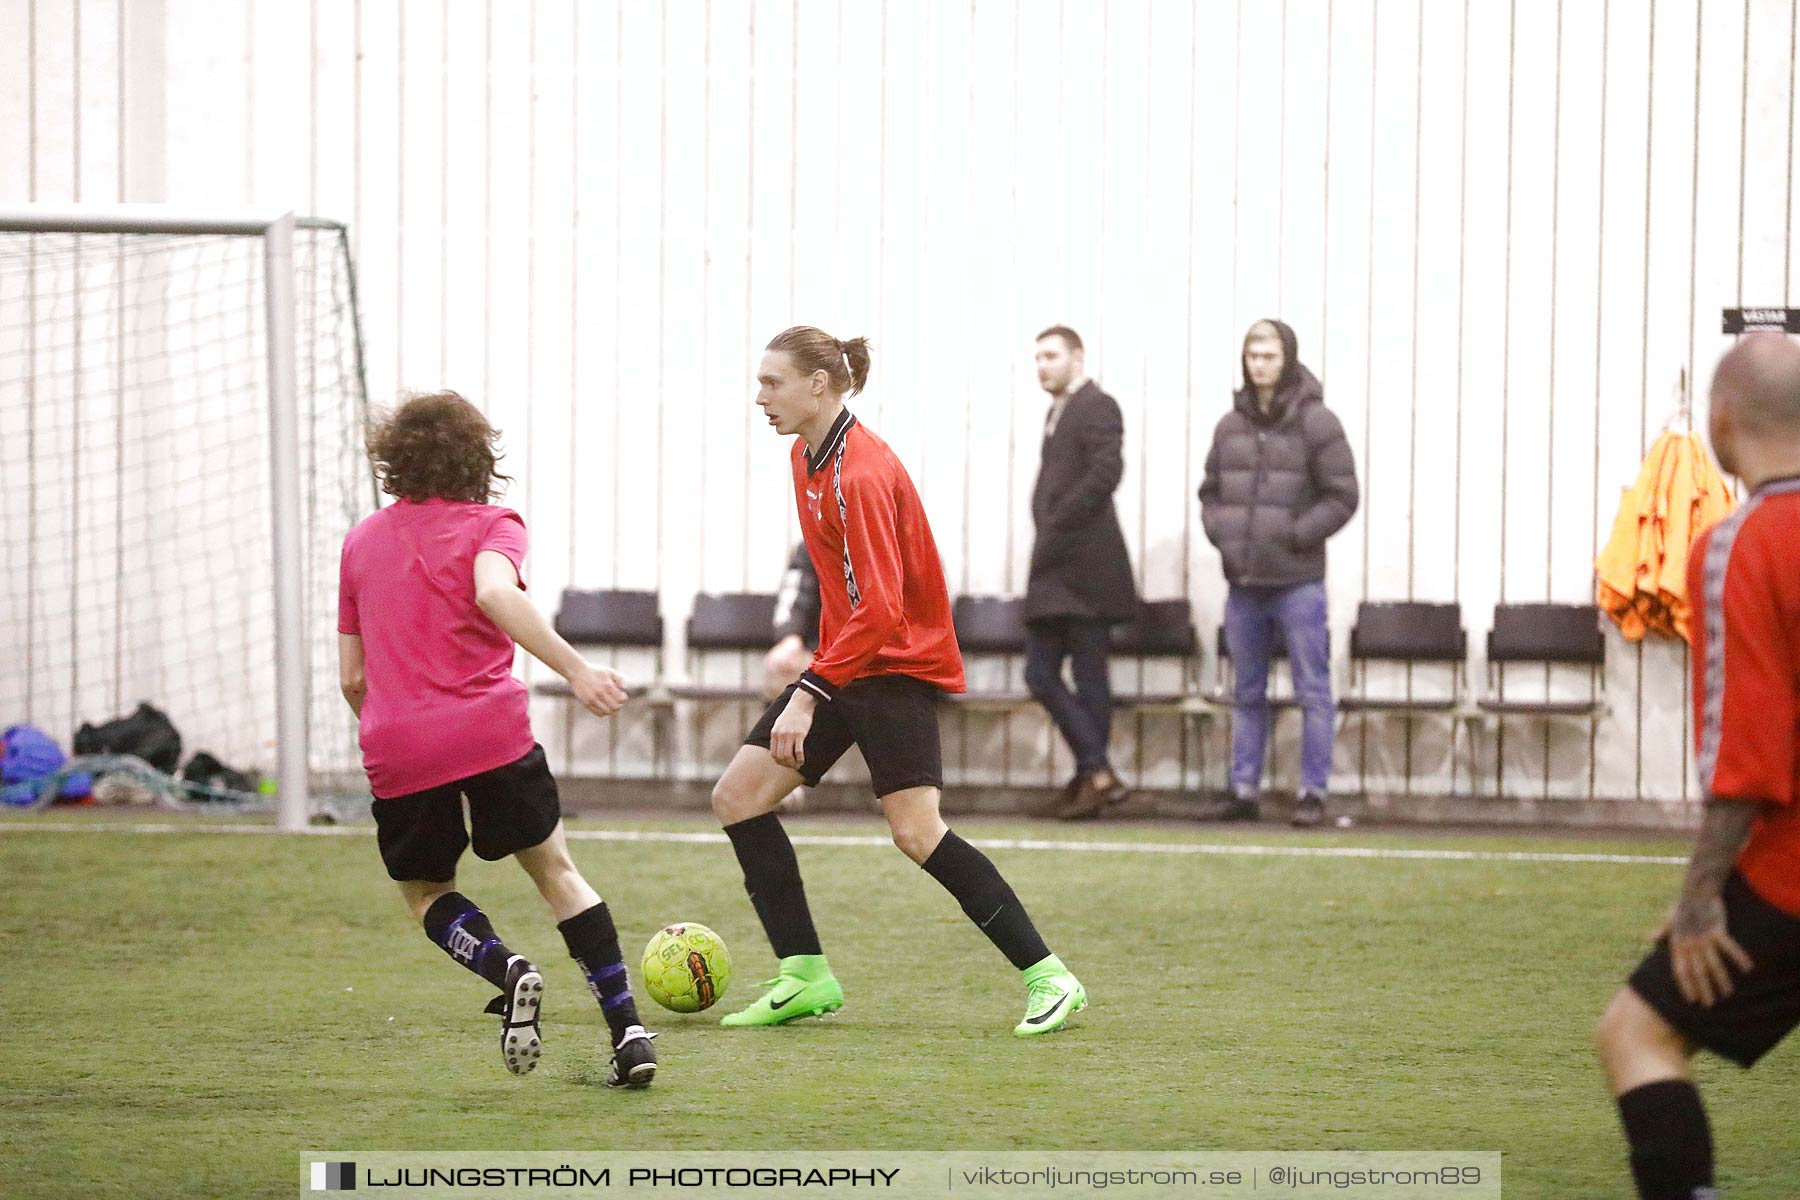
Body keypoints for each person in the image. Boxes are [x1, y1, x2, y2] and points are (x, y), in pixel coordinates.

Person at [710, 326, 1086, 1036]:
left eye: (772, 382)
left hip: (894, 666)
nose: (759, 396)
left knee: (916, 832)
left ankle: (1051, 978)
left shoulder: (863, 472)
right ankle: (805, 976)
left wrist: (809, 691)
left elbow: (882, 609)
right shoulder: (805, 456)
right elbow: (842, 593)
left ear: (818, 384)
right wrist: (818, 674)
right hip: (844, 664)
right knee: (738, 797)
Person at [337, 390, 659, 1088]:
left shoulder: (361, 541)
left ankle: (503, 965)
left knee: (427, 893)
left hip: (400, 745)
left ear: (395, 459)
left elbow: (353, 677)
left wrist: (393, 723)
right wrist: (576, 669)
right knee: (558, 876)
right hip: (491, 734)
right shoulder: (494, 525)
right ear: (479, 459)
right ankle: (630, 1032)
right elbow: (492, 593)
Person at [1595, 332, 1800, 1200]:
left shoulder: (1741, 540)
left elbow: (1748, 759)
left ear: (1720, 423)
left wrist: (1698, 899)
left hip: (1792, 875)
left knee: (1636, 1035)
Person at [1198, 319, 1358, 826]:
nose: (1259, 365)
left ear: (1286, 358)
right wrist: (1223, 533)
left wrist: (1295, 535)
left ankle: (1312, 793)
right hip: (1243, 585)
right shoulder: (1230, 425)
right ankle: (1243, 790)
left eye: (1268, 355)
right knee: (1245, 692)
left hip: (1298, 585)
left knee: (1313, 691)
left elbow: (1343, 496)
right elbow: (1210, 493)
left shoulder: (1318, 422)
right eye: (1252, 356)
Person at [1023, 326, 1140, 821]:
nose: (1041, 366)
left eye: (1050, 356)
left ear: (1077, 357)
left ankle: (1089, 779)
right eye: (1037, 358)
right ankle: (1096, 772)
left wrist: (1056, 522)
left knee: (1089, 677)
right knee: (1042, 673)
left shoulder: (1098, 404)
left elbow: (1106, 472)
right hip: (1057, 569)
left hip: (1087, 569)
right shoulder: (1059, 411)